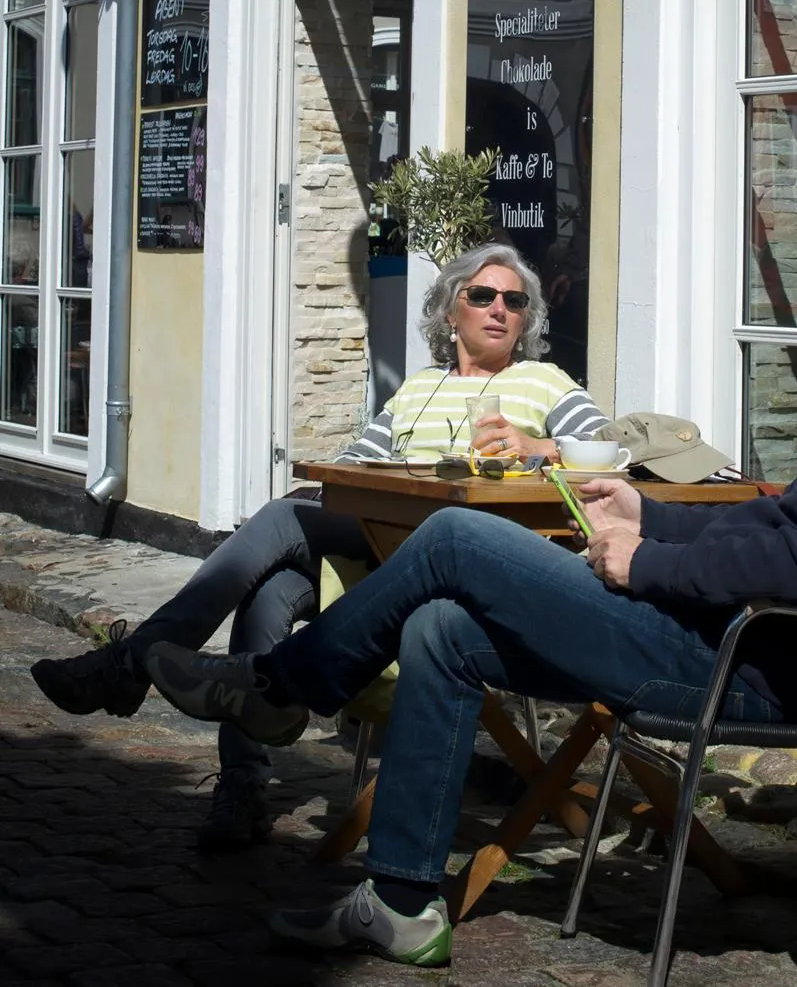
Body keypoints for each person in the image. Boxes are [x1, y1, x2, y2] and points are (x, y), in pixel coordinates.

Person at [142, 242, 797, 964]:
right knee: (441, 626)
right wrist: (651, 512)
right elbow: (782, 524)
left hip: (748, 671)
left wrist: (646, 565)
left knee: (461, 540)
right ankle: (400, 903)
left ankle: (279, 685)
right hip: (732, 644)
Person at [31, 241, 607, 851]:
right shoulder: (416, 390)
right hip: (377, 551)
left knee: (283, 520)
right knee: (271, 582)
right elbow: (352, 471)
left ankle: (135, 667)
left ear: (526, 320)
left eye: (514, 301)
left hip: (459, 562)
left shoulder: (543, 383)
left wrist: (537, 446)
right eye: (483, 295)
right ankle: (241, 783)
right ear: (449, 311)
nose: (500, 309)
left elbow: (615, 452)